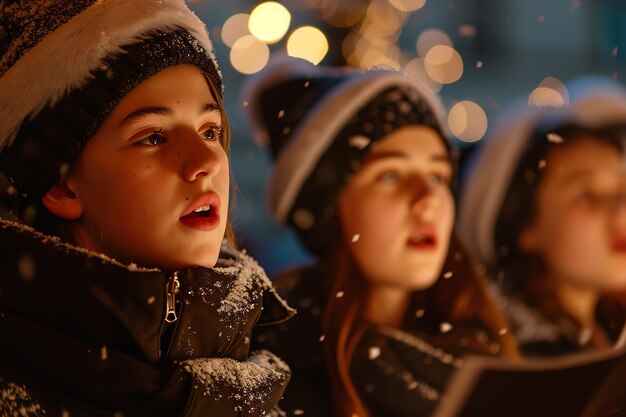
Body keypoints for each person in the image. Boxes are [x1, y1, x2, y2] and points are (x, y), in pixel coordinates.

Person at [0, 1, 294, 416]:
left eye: (210, 131)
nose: (206, 161)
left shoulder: (262, 380)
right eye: (153, 137)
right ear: (62, 185)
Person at [242, 57, 518, 417]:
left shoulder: (487, 348)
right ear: (332, 208)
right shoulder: (272, 372)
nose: (427, 201)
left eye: (437, 176)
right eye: (390, 176)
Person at [459, 76, 626, 356]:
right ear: (526, 225)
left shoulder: (607, 334)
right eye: (586, 195)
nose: (621, 212)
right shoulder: (521, 360)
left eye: (622, 190)